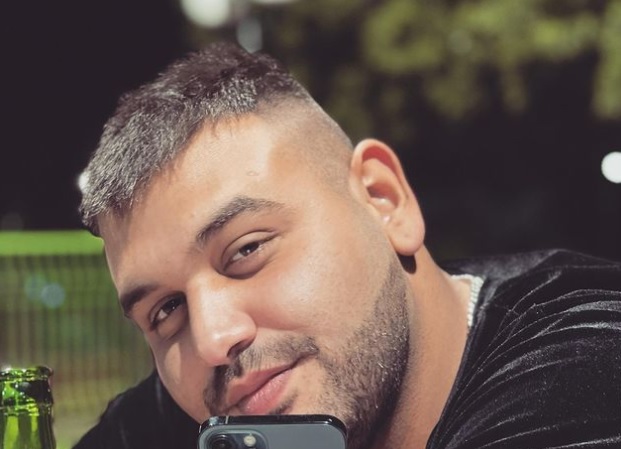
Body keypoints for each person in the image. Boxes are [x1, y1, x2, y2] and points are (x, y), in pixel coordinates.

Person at [74, 42, 621, 449]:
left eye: (245, 251)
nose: (214, 339)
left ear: (385, 201)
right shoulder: (219, 399)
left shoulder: (583, 375)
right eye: (166, 310)